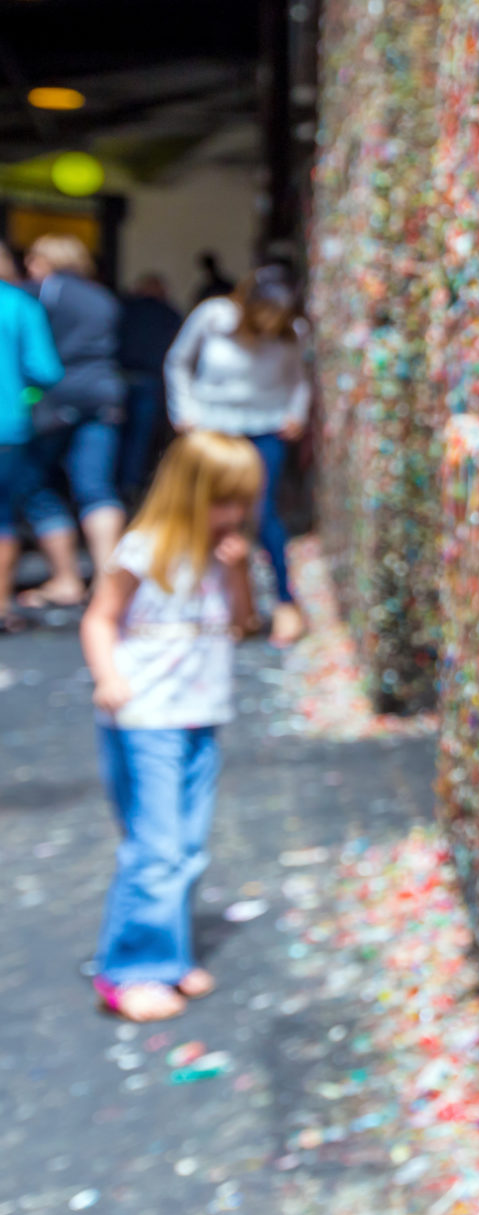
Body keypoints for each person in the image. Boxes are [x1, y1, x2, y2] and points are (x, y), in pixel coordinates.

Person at [82, 429, 261, 1023]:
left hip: (198, 715)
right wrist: (108, 677)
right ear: (189, 492)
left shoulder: (223, 551)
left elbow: (242, 623)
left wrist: (239, 574)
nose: (232, 514)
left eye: (241, 501)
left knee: (185, 845)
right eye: (223, 499)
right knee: (155, 846)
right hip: (145, 717)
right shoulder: (145, 548)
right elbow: (100, 619)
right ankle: (130, 969)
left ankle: (168, 954)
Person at [165, 262, 311, 644]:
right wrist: (184, 411)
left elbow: (299, 379)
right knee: (202, 511)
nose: (269, 322)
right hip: (211, 426)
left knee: (263, 515)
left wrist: (296, 414)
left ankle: (284, 601)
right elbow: (178, 361)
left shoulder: (293, 333)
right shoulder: (213, 316)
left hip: (265, 427)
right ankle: (202, 600)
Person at [21, 235, 125, 609]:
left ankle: (65, 577)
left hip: (56, 398)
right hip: (103, 394)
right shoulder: (102, 296)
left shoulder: (42, 292)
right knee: (95, 486)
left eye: (33, 259)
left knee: (33, 482)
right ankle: (107, 579)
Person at [0, 245, 62, 627]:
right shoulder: (20, 305)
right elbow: (46, 371)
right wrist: (25, 393)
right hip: (7, 426)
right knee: (3, 518)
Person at [117, 273, 183, 505]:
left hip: (120, 380)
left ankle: (121, 485)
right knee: (141, 439)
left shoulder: (123, 310)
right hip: (150, 381)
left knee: (118, 437)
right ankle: (131, 486)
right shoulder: (169, 314)